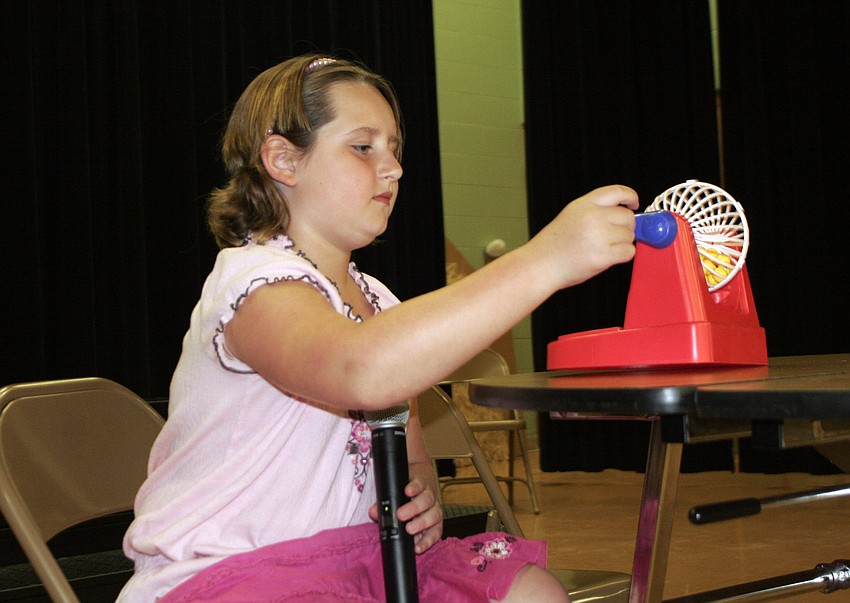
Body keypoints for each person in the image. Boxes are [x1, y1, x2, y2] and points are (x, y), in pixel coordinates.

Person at [118, 53, 638, 603]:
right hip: (234, 573)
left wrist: (423, 497)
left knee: (532, 592)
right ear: (283, 160)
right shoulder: (251, 283)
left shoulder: (378, 302)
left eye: (394, 148)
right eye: (363, 146)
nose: (393, 167)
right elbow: (360, 369)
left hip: (362, 559)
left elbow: (409, 447)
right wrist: (545, 260)